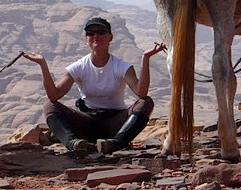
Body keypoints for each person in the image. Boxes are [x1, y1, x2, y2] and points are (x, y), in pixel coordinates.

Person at [23, 17, 166, 154]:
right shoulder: (78, 67)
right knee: (50, 105)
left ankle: (115, 143)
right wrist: (43, 65)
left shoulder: (121, 67)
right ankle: (74, 144)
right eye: (91, 33)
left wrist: (145, 58)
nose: (95, 36)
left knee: (146, 102)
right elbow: (54, 95)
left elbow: (141, 93)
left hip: (115, 122)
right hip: (88, 121)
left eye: (101, 32)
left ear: (110, 37)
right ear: (86, 39)